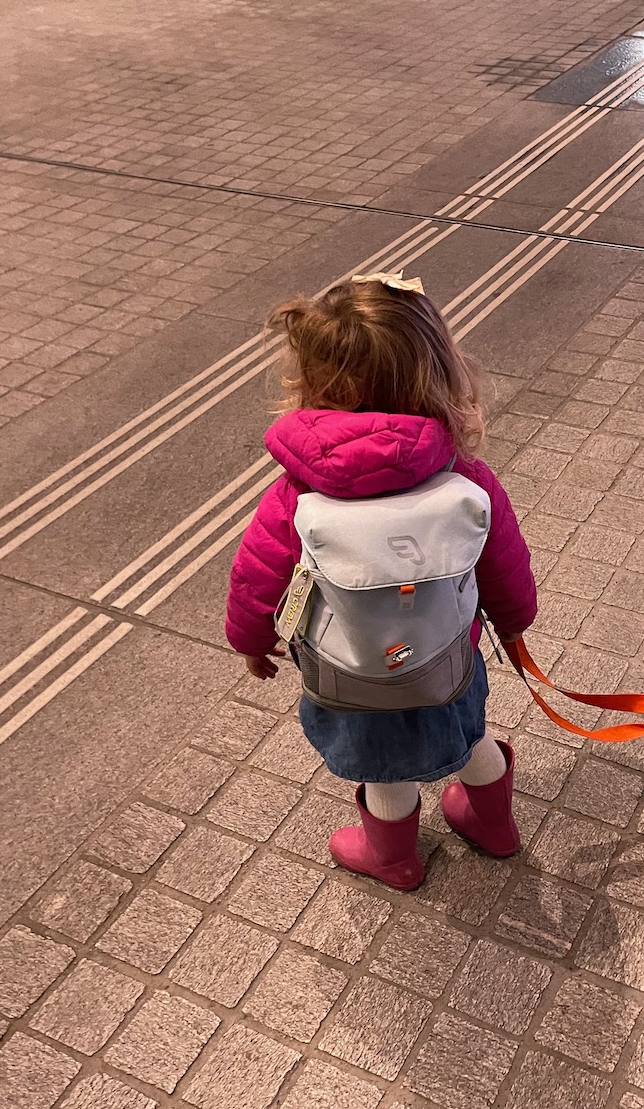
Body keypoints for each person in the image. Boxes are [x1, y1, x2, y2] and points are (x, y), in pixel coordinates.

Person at [224, 272, 537, 891]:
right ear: (440, 375)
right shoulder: (468, 480)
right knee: (470, 738)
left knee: (386, 770)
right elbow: (505, 566)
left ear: (313, 385)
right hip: (448, 660)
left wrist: (251, 641)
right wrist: (514, 625)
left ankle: (392, 859)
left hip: (352, 677)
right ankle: (492, 826)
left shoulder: (294, 496)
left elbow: (255, 579)